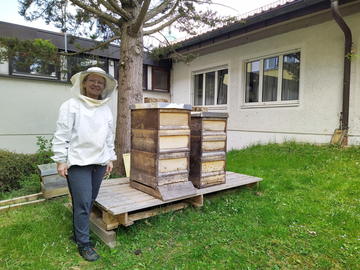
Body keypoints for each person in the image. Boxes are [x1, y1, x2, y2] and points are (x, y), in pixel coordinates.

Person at [51, 67, 118, 261]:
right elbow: (62, 133)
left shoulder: (105, 109)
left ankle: (79, 234)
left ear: (105, 87)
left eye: (100, 82)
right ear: (84, 83)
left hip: (99, 162)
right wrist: (60, 160)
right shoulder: (71, 105)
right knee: (82, 203)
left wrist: (110, 158)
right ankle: (83, 244)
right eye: (92, 81)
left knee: (89, 202)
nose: (96, 84)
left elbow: (108, 136)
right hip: (78, 163)